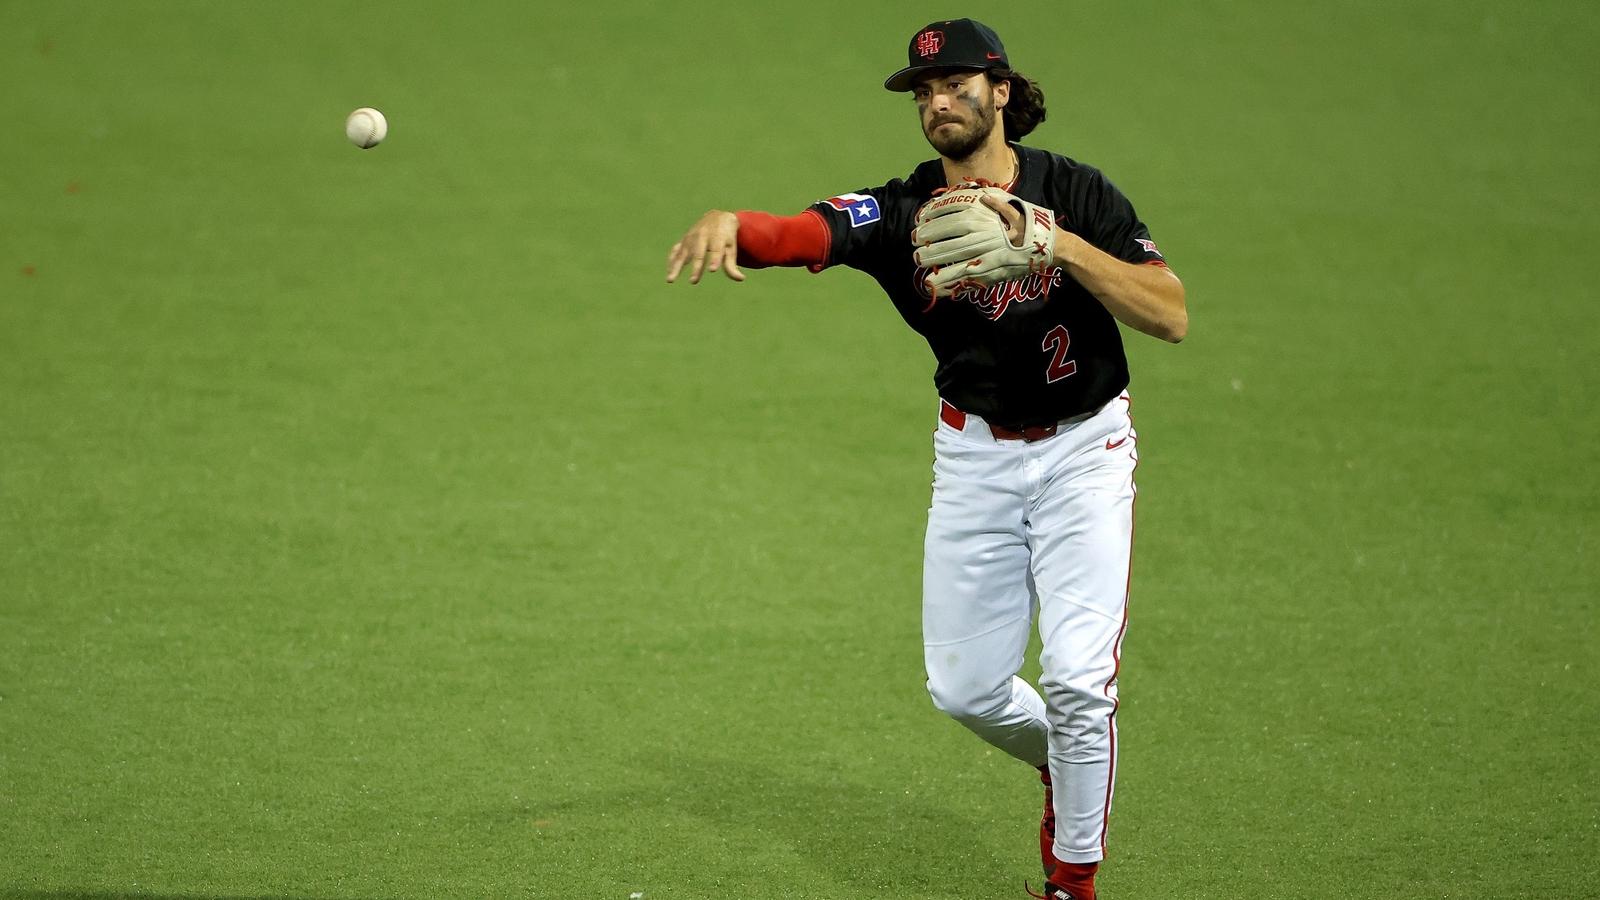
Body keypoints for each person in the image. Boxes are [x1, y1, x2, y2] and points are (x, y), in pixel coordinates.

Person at [665, 18, 1186, 900]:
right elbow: (808, 233)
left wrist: (1049, 240)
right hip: (974, 458)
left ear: (1003, 90)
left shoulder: (1080, 193)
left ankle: (1072, 879)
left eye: (954, 84)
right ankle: (1069, 761)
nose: (938, 102)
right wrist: (735, 226)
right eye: (923, 91)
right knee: (966, 690)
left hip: (1084, 456)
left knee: (1077, 681)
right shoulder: (904, 210)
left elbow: (1169, 314)